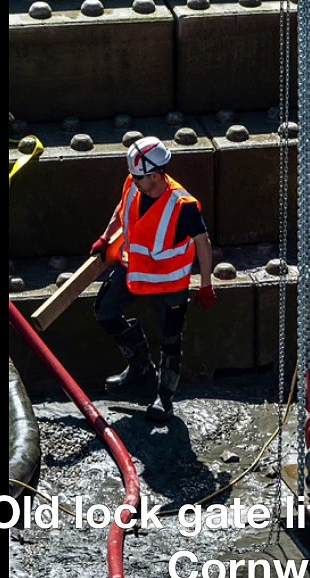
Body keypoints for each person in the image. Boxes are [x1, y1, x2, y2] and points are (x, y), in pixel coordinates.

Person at [90, 136, 215, 422]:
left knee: (170, 339)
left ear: (156, 175)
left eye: (139, 177)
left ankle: (164, 398)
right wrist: (106, 236)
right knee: (104, 311)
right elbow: (121, 208)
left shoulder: (181, 205)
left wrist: (206, 285)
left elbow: (203, 242)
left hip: (168, 283)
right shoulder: (133, 186)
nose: (133, 181)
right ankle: (140, 368)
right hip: (134, 271)